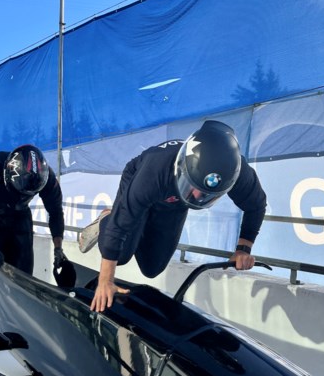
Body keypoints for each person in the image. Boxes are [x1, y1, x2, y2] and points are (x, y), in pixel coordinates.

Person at [79, 120, 267, 313]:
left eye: (205, 195)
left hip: (174, 202)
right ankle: (106, 217)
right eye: (193, 187)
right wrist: (105, 281)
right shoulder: (155, 169)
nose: (196, 197)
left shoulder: (238, 172)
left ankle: (143, 223)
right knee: (121, 255)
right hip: (142, 184)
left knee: (152, 268)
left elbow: (257, 206)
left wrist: (244, 248)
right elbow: (120, 225)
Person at [0, 144, 67, 335]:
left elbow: (55, 212)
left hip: (19, 217)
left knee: (24, 277)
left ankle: (20, 324)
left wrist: (58, 248)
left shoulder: (46, 178)